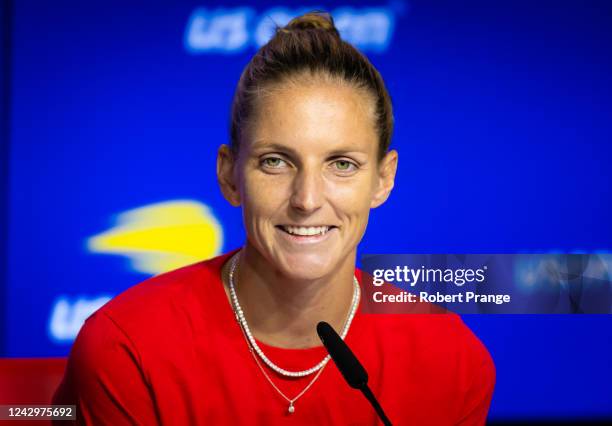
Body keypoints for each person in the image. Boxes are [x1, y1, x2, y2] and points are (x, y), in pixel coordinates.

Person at [53, 11, 495, 425]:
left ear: (383, 179)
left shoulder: (452, 362)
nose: (306, 199)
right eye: (275, 162)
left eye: (341, 164)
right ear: (229, 175)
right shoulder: (127, 349)